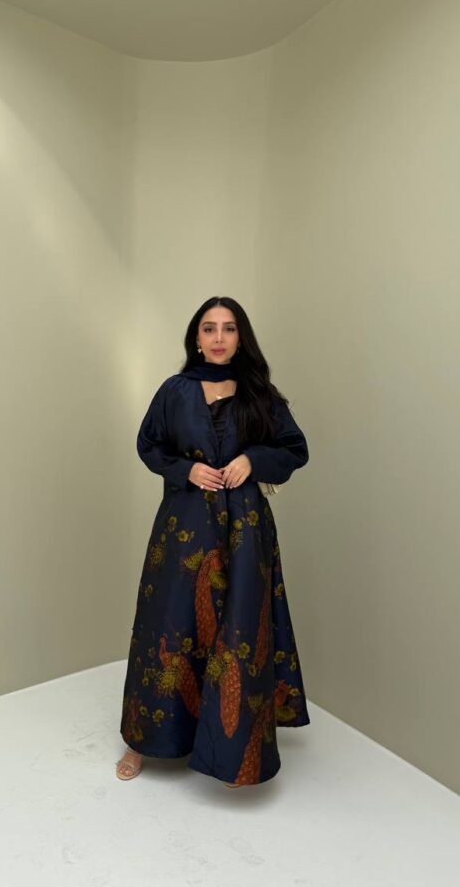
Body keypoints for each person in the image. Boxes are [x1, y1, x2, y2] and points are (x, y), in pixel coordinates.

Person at [116, 297, 310, 787]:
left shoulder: (260, 395)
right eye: (209, 328)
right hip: (184, 527)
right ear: (196, 338)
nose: (219, 337)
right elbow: (148, 444)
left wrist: (253, 460)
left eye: (228, 328)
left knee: (240, 630)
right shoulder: (174, 391)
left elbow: (295, 449)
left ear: (241, 338)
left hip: (245, 531)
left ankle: (233, 751)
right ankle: (143, 741)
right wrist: (186, 470)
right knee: (167, 625)